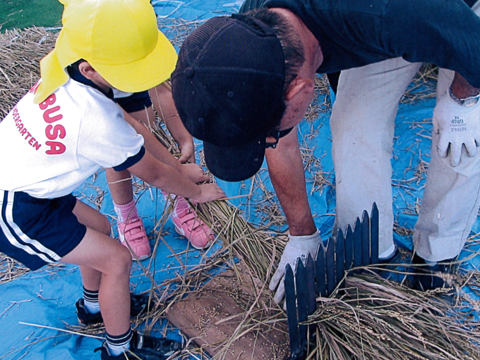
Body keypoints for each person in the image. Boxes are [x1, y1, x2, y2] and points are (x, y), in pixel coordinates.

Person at [171, 0, 480, 300]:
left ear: (302, 90)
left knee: (462, 139)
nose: (268, 140)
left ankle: (437, 254)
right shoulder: (249, 36)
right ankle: (371, 250)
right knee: (352, 122)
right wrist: (302, 234)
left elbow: (471, 39)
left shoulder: (394, 13)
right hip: (391, 17)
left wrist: (463, 100)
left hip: (464, 20)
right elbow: (279, 138)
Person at [0, 0, 225, 359]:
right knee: (117, 260)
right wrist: (195, 192)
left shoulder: (67, 68)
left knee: (101, 227)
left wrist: (180, 170)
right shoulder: (94, 120)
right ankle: (120, 348)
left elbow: (134, 129)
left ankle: (93, 308)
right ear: (91, 69)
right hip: (15, 209)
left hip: (29, 184)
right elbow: (151, 173)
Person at [102, 82, 216, 261]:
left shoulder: (144, 60)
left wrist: (184, 140)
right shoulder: (87, 85)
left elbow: (160, 89)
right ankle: (127, 218)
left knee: (152, 135)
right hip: (99, 95)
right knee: (116, 156)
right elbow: (130, 128)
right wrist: (191, 183)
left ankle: (179, 205)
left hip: (128, 86)